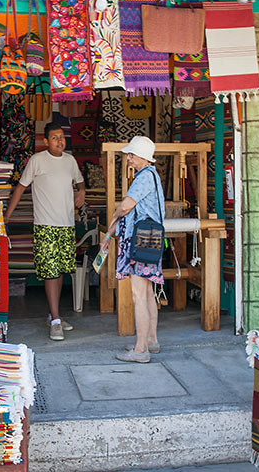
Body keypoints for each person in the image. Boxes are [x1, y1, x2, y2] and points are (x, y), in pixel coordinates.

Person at [5, 122, 85, 341]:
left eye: (62, 137)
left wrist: (81, 193)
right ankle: (57, 320)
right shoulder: (37, 161)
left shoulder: (70, 161)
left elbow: (79, 181)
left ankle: (53, 316)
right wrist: (8, 216)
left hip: (67, 224)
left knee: (59, 271)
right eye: (55, 137)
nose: (60, 141)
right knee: (50, 271)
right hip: (45, 225)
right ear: (46, 141)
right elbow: (20, 188)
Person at [99, 136, 165, 363]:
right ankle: (151, 341)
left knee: (139, 295)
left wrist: (112, 223)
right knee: (147, 294)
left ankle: (140, 350)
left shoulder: (144, 178)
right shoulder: (152, 176)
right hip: (151, 241)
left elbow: (126, 206)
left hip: (140, 242)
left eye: (132, 154)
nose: (128, 157)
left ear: (144, 158)